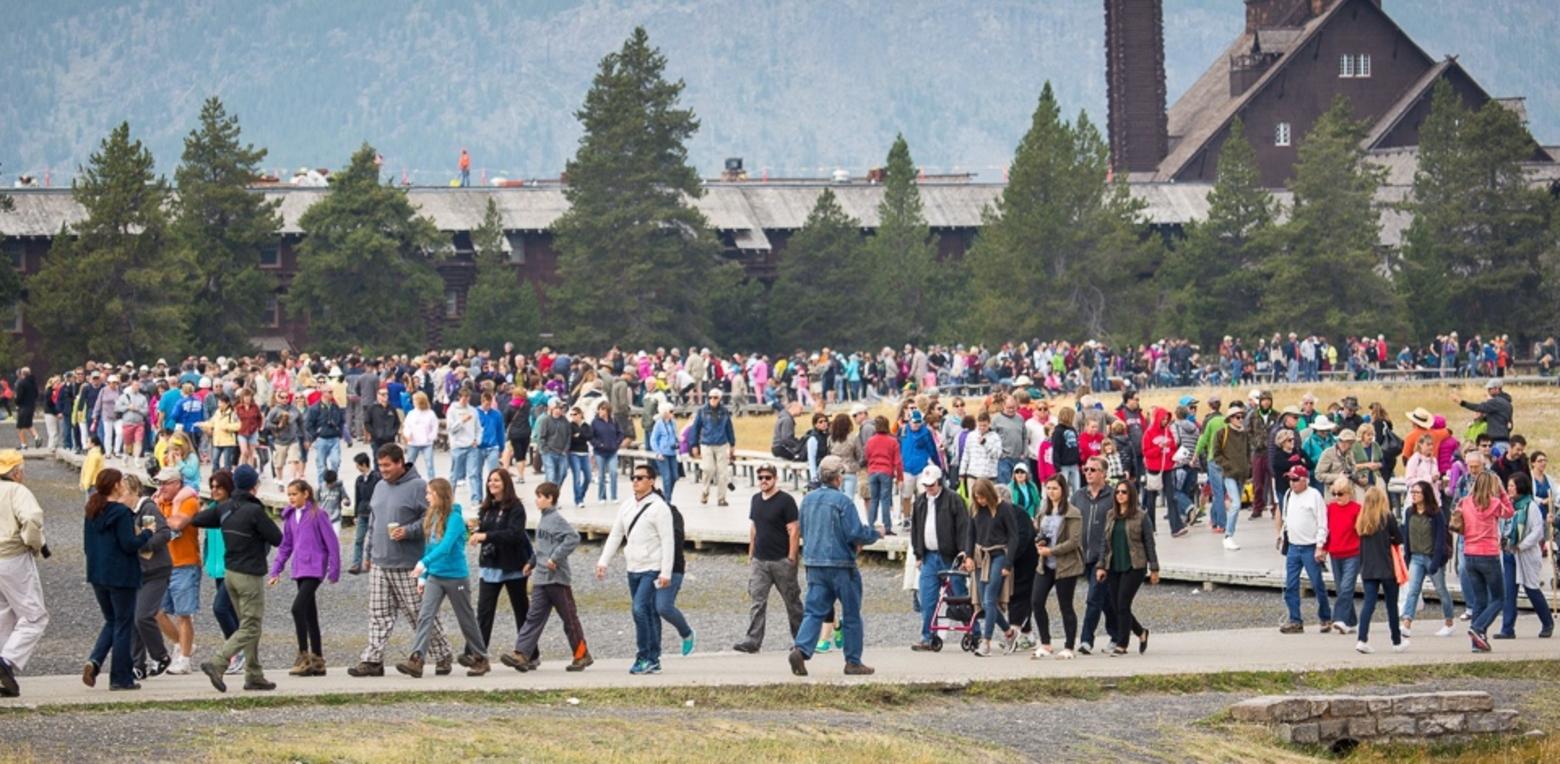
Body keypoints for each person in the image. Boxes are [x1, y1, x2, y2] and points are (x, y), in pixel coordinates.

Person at [173, 465, 283, 692]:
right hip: (248, 575)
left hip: (230, 574)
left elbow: (197, 519)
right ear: (254, 486)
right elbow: (277, 538)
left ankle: (254, 674)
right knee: (251, 626)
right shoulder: (254, 512)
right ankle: (218, 662)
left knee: (247, 625)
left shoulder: (225, 509)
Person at [348, 444, 454, 677]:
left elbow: (433, 518)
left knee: (419, 613)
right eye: (380, 465)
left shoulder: (418, 487)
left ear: (400, 463)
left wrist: (409, 531)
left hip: (407, 564)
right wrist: (367, 553)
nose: (382, 469)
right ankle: (373, 660)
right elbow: (373, 522)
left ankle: (443, 653)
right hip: (379, 562)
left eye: (387, 465)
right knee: (378, 613)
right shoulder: (379, 486)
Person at [787, 456, 879, 676]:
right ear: (838, 478)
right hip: (841, 565)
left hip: (814, 563)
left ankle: (801, 649)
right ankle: (853, 660)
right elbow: (854, 533)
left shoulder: (808, 500)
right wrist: (874, 534)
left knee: (814, 611)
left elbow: (803, 530)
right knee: (851, 613)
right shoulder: (843, 502)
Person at [396, 478, 491, 677]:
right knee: (425, 615)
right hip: (435, 576)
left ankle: (480, 657)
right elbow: (430, 547)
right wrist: (424, 575)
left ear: (439, 494)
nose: (427, 497)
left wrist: (424, 563)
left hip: (456, 576)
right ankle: (417, 659)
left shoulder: (455, 518)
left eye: (430, 493)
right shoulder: (432, 516)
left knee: (465, 618)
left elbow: (446, 547)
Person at [595, 462, 676, 675]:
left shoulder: (660, 508)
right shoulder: (628, 505)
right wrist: (604, 561)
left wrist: (665, 572)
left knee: (639, 609)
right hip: (633, 567)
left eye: (640, 478)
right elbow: (616, 534)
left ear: (651, 481)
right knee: (647, 611)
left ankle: (644, 655)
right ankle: (654, 658)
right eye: (633, 478)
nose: (636, 481)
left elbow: (668, 541)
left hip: (653, 567)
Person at [505, 481, 593, 672]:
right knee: (533, 617)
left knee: (569, 619)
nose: (536, 500)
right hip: (541, 578)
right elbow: (542, 548)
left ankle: (581, 655)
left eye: (539, 497)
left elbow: (573, 538)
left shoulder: (556, 519)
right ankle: (521, 654)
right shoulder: (543, 519)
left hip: (557, 579)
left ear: (550, 499)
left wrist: (556, 557)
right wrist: (531, 562)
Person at [82, 469, 154, 691]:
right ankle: (120, 677)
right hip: (121, 575)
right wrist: (147, 533)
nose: (123, 484)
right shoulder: (121, 512)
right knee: (123, 624)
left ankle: (95, 661)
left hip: (98, 574)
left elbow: (87, 545)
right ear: (115, 486)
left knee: (112, 620)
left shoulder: (92, 510)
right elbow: (129, 544)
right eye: (121, 481)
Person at [734, 463, 802, 653]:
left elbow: (794, 529)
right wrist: (751, 553)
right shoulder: (755, 499)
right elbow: (754, 527)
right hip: (760, 560)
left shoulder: (786, 500)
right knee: (757, 601)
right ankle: (752, 641)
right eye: (761, 477)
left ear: (775, 478)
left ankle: (801, 640)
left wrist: (791, 557)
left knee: (792, 602)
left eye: (767, 477)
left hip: (781, 559)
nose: (764, 481)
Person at [470, 469, 533, 665]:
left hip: (514, 566)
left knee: (521, 611)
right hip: (490, 566)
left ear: (506, 483)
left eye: (496, 480)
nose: (492, 483)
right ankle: (478, 654)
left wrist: (486, 536)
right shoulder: (486, 507)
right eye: (490, 480)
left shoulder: (516, 508)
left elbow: (514, 534)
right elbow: (486, 532)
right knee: (484, 612)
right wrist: (477, 531)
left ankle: (530, 654)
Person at [0, 450, 47, 696]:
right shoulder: (17, 491)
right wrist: (33, 543)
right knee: (34, 616)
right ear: (16, 472)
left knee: (4, 613)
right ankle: (6, 661)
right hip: (12, 556)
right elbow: (30, 519)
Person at [908, 465, 968, 651]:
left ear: (939, 481)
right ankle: (927, 636)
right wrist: (918, 554)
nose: (929, 488)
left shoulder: (954, 500)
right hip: (929, 556)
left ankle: (973, 631)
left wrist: (964, 553)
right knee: (927, 598)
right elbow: (915, 529)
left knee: (958, 595)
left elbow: (963, 527)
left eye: (932, 485)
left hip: (951, 557)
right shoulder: (919, 502)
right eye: (926, 485)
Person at [1097, 481, 1158, 656]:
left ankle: (1122, 644)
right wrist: (1101, 565)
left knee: (1123, 603)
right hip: (1114, 564)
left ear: (1131, 494)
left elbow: (1149, 543)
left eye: (1124, 492)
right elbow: (1104, 543)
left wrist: (1154, 568)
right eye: (1117, 492)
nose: (1120, 495)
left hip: (1134, 565)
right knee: (1117, 605)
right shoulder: (1111, 515)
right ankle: (1141, 632)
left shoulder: (1141, 516)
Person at [1456, 471, 1513, 652]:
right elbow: (1509, 513)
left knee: (1479, 600)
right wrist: (1503, 492)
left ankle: (1477, 644)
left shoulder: (1465, 502)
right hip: (1488, 554)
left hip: (1469, 554)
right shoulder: (1494, 503)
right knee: (1498, 598)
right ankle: (1478, 628)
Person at [963, 478, 1020, 656]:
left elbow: (1013, 537)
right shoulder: (975, 510)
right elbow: (970, 534)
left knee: (989, 598)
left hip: (999, 555)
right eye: (977, 498)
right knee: (985, 601)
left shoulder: (1004, 509)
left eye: (983, 498)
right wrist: (969, 556)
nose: (980, 501)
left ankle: (986, 642)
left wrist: (1008, 563)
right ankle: (1009, 632)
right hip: (981, 555)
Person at [1031, 474, 1083, 659]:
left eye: (1055, 488)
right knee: (1036, 601)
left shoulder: (1072, 512)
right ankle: (1045, 643)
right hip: (1045, 565)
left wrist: (1051, 551)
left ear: (1063, 490)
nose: (1051, 492)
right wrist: (1039, 543)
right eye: (1049, 488)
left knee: (1065, 605)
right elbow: (1040, 532)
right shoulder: (1043, 510)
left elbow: (1074, 541)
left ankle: (1069, 646)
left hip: (1065, 565)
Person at [1495, 472, 1553, 639]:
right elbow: (1501, 524)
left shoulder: (1530, 506)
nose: (1509, 489)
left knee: (1531, 588)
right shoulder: (1508, 505)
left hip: (1525, 555)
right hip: (1508, 553)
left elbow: (1537, 531)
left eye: (1512, 485)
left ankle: (1547, 622)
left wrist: (1521, 545)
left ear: (1520, 487)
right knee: (1509, 591)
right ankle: (1507, 629)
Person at [127, 474, 174, 680]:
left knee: (143, 616)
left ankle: (161, 655)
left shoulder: (147, 509)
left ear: (134, 492)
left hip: (155, 570)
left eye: (122, 494)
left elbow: (163, 533)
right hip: (137, 572)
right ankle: (137, 664)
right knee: (133, 618)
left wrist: (143, 544)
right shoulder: (126, 512)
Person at [1352, 486, 1406, 654]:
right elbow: (1398, 538)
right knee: (1391, 605)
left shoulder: (1361, 519)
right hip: (1386, 567)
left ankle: (1362, 639)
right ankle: (1396, 641)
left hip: (1367, 567)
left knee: (1369, 604)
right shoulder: (1386, 517)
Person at [1279, 466, 1332, 634]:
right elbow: (1287, 518)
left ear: (1305, 480)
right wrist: (1282, 535)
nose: (1292, 483)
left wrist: (1320, 546)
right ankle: (1295, 619)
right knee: (1291, 584)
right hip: (1293, 546)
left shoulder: (1314, 496)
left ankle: (1325, 616)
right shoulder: (1288, 495)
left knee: (1317, 584)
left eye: (1295, 479)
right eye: (1290, 479)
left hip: (1310, 547)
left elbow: (1322, 523)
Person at [1399, 480, 1455, 638]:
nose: (1414, 495)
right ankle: (1407, 622)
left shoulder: (1436, 513)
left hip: (1432, 557)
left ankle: (1449, 621)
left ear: (1425, 494)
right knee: (1413, 590)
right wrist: (1407, 557)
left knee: (1441, 590)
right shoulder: (1410, 512)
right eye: (1412, 493)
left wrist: (1436, 561)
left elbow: (1440, 538)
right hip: (1416, 557)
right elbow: (1407, 535)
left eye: (1417, 492)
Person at [202, 471, 244, 674]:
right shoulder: (212, 508)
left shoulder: (235, 509)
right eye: (212, 487)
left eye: (219, 486)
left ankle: (235, 651)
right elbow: (208, 538)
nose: (214, 491)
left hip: (233, 567)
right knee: (230, 610)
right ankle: (239, 650)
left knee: (220, 608)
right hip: (217, 567)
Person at [1072, 456, 1114, 655]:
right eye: (1086, 469)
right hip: (1083, 555)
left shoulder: (1113, 496)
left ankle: (1086, 640)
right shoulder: (1079, 496)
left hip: (1103, 557)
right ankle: (1120, 633)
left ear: (1103, 473)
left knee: (1093, 598)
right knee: (1105, 599)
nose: (1088, 473)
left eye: (1093, 470)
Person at [1322, 477, 1362, 635]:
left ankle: (1339, 618)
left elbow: (1361, 531)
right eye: (1335, 493)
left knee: (1346, 587)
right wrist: (1324, 548)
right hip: (1335, 553)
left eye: (1340, 493)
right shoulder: (1330, 508)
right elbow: (1327, 531)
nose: (1337, 497)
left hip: (1353, 552)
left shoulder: (1357, 508)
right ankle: (1351, 621)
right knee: (1341, 588)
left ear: (1349, 493)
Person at [1212, 403, 1251, 551]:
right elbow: (1216, 454)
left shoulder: (1244, 433)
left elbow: (1248, 452)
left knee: (1237, 503)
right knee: (1235, 504)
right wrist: (1227, 465)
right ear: (1230, 418)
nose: (1240, 419)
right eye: (1237, 417)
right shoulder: (1222, 433)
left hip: (1241, 474)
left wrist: (1248, 468)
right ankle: (1228, 535)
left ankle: (1230, 535)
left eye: (1242, 417)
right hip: (1229, 473)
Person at [689, 388, 736, 507]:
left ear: (719, 398)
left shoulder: (724, 411)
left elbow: (729, 428)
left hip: (721, 444)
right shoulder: (702, 411)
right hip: (706, 443)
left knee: (723, 473)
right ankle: (705, 491)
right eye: (710, 397)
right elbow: (695, 428)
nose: (712, 400)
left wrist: (732, 445)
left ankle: (721, 498)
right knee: (708, 469)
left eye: (715, 397)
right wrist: (694, 445)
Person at [864, 415, 902, 535]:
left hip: (873, 471)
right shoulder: (892, 441)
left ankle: (871, 525)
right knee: (885, 500)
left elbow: (867, 456)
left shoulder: (870, 441)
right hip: (886, 472)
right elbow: (898, 462)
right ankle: (887, 527)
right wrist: (900, 477)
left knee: (874, 499)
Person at [1452, 379, 1513, 452]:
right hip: (1504, 441)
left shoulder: (1496, 401)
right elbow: (1500, 420)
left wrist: (1461, 402)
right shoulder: (1507, 403)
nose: (1488, 390)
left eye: (1490, 389)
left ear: (1497, 389)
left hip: (1497, 442)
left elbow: (1479, 407)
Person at [590, 400, 624, 503]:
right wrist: (598, 444)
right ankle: (602, 497)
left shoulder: (613, 421)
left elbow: (620, 433)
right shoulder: (594, 422)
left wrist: (616, 443)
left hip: (612, 451)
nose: (601, 412)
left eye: (603, 409)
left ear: (608, 411)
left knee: (613, 472)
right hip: (600, 452)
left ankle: (614, 496)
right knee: (601, 475)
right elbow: (591, 437)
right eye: (600, 409)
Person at [401, 392, 439, 479]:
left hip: (427, 443)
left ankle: (432, 480)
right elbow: (407, 426)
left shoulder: (430, 413)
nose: (413, 402)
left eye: (415, 400)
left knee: (429, 464)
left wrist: (431, 437)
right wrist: (408, 435)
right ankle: (407, 479)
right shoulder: (411, 413)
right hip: (413, 442)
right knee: (410, 463)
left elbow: (435, 426)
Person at [649, 406, 680, 500]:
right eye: (670, 411)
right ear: (665, 413)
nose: (672, 413)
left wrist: (677, 443)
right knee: (667, 477)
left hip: (672, 452)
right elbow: (653, 439)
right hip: (662, 453)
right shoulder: (658, 424)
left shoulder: (673, 423)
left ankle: (666, 495)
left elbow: (676, 435)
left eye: (673, 411)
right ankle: (667, 500)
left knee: (674, 476)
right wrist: (658, 452)